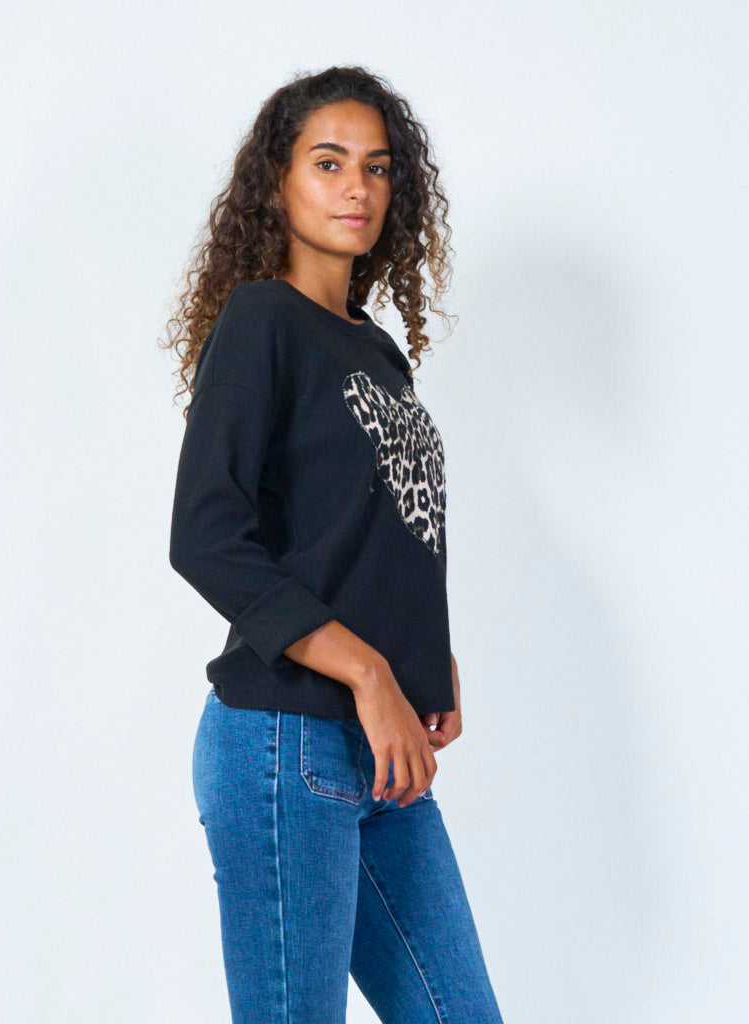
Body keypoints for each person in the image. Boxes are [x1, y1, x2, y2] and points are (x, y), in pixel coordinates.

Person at [163, 65, 505, 1024]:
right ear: (277, 182)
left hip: (380, 755)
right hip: (284, 741)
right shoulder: (260, 322)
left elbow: (368, 529)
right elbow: (205, 536)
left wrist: (424, 659)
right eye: (328, 162)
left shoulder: (377, 349)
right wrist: (370, 672)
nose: (357, 187)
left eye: (377, 167)